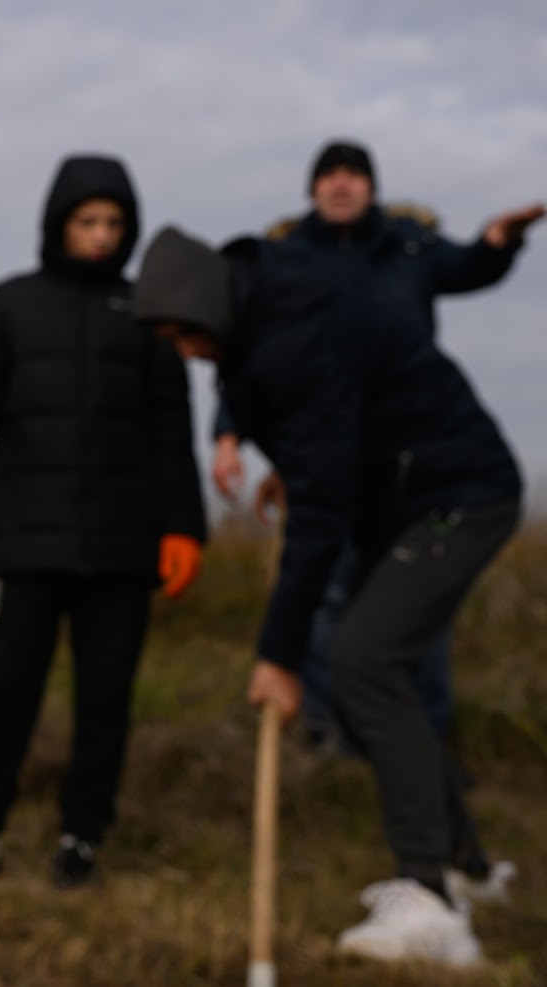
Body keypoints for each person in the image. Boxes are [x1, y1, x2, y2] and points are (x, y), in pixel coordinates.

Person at [135, 205, 540, 966]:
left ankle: (432, 901)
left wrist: (277, 654)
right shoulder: (265, 307)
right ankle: (465, 867)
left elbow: (321, 516)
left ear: (203, 305)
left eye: (183, 334)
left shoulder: (289, 330)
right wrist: (299, 460)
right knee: (386, 663)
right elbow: (337, 414)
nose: (188, 354)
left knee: (362, 660)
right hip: (410, 490)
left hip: (459, 494)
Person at [0, 155, 207, 885]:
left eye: (114, 223)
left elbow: (174, 431)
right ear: (59, 224)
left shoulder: (147, 313)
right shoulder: (12, 302)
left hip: (122, 543)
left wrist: (185, 526)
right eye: (88, 221)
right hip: (26, 540)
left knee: (104, 699)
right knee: (2, 689)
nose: (102, 235)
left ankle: (82, 839)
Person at [209, 141, 529, 752]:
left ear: (371, 188)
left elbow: (467, 268)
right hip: (329, 459)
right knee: (328, 595)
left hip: (411, 460)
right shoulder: (287, 257)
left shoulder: (409, 247)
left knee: (412, 614)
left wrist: (499, 241)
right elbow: (249, 357)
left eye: (353, 175)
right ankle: (334, 736)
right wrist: (233, 435)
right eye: (328, 175)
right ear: (312, 190)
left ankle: (421, 742)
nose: (340, 184)